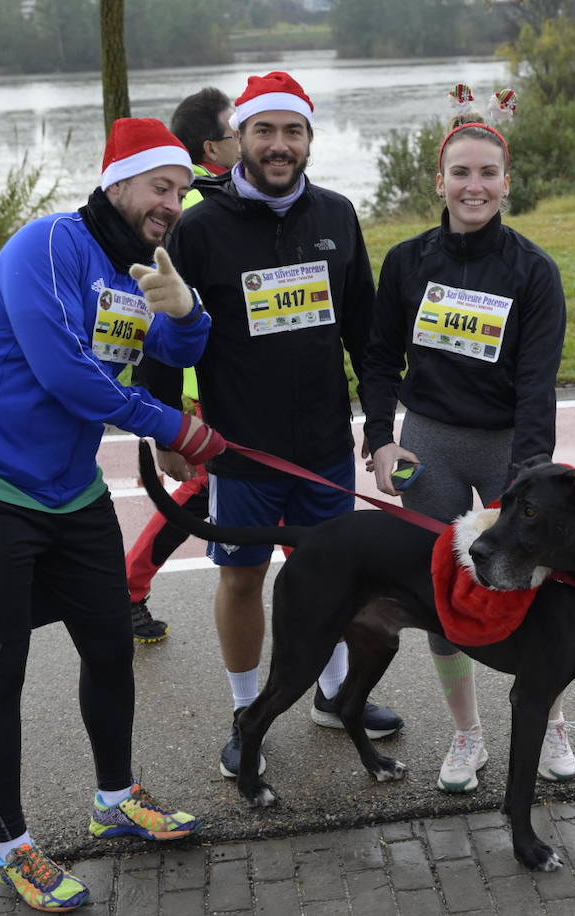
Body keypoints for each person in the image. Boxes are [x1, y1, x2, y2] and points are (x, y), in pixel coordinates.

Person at [0, 117, 223, 912]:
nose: (172, 203)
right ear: (118, 181)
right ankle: (9, 846)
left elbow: (179, 352)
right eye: (160, 186)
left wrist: (187, 311)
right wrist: (176, 427)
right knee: (0, 671)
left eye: (181, 191)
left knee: (111, 644)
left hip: (68, 486)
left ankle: (114, 800)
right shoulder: (48, 246)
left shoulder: (139, 265)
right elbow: (67, 374)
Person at [158, 71, 403, 779]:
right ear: (239, 139)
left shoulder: (337, 215)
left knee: (334, 580)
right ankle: (247, 713)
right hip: (242, 453)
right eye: (263, 130)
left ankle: (334, 694)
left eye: (292, 131)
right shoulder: (200, 227)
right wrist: (167, 428)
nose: (278, 145)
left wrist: (379, 428)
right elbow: (165, 334)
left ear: (308, 140)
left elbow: (367, 338)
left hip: (322, 445)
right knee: (242, 580)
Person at [357, 90, 575, 794]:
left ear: (507, 184)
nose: (473, 186)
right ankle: (467, 734)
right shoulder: (407, 261)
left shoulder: (534, 271)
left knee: (526, 587)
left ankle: (552, 721)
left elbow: (538, 384)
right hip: (431, 447)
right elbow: (378, 358)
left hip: (511, 447)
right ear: (439, 181)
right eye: (460, 173)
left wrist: (530, 478)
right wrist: (380, 440)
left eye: (487, 174)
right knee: (444, 596)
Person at [122, 87, 242, 643]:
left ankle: (128, 589)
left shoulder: (216, 194)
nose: (246, 140)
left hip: (217, 382)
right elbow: (159, 321)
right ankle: (127, 590)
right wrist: (166, 418)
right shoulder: (191, 210)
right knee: (206, 490)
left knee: (213, 491)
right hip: (200, 385)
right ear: (211, 147)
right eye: (236, 132)